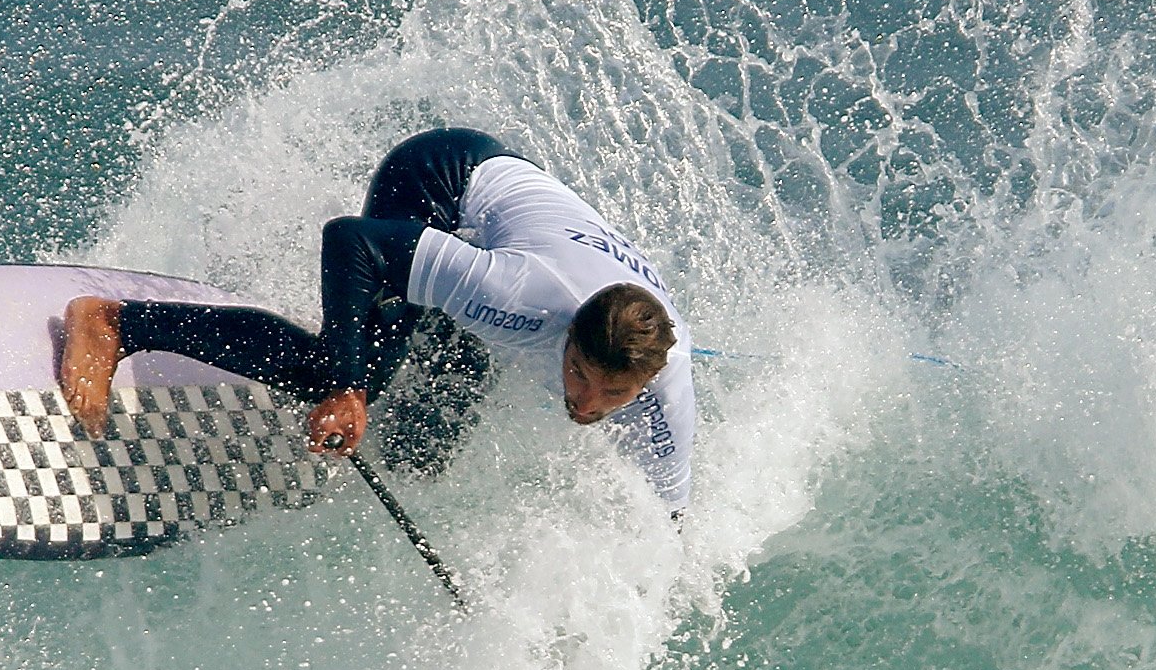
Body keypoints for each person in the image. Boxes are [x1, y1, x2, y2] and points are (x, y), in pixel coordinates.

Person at [58, 127, 696, 514]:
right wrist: (348, 386)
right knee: (344, 373)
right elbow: (350, 242)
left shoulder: (668, 380)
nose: (587, 402)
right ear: (569, 334)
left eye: (614, 393)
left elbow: (668, 518)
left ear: (649, 379)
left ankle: (349, 388)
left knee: (422, 453)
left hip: (500, 235)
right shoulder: (520, 299)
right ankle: (118, 324)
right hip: (439, 181)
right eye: (578, 373)